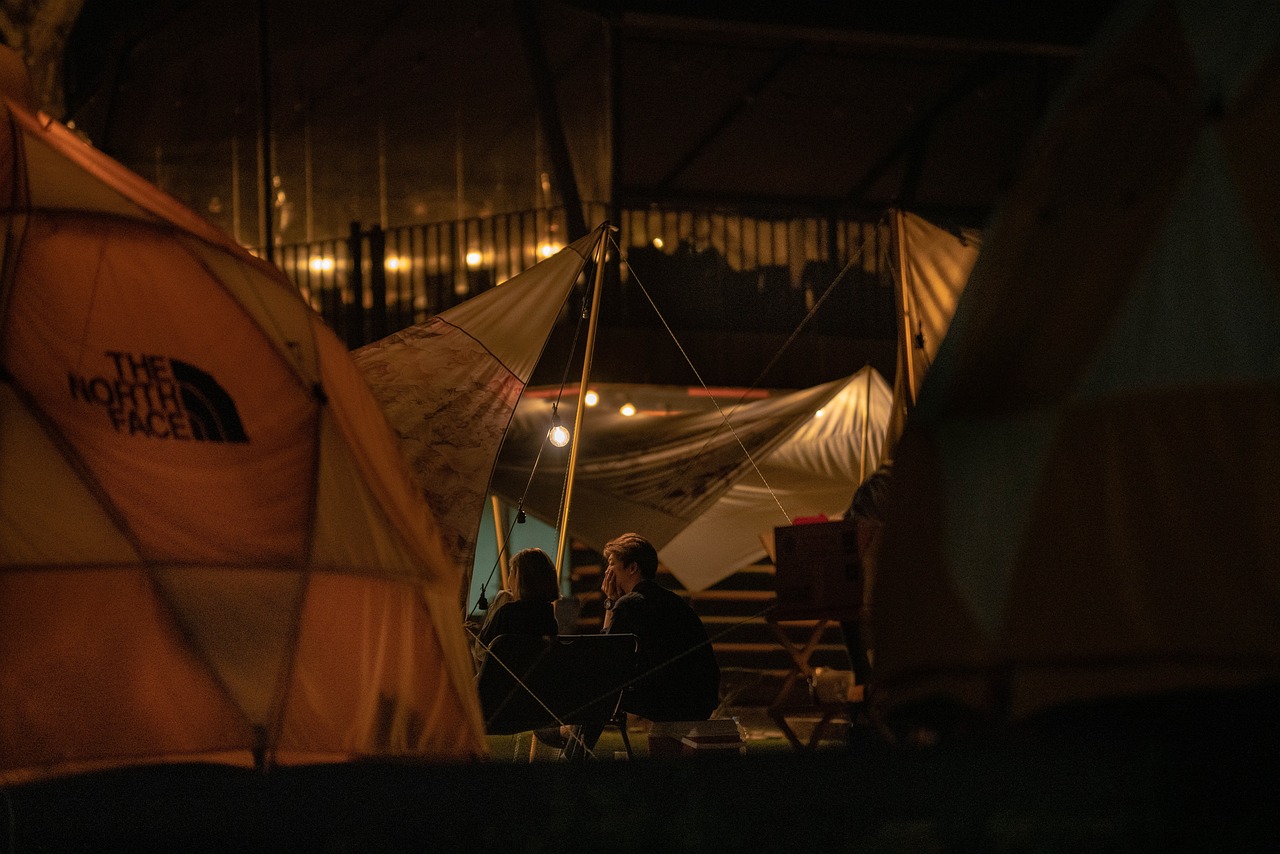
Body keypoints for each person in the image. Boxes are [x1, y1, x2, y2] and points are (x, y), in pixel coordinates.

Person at [563, 533, 721, 759]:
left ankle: (572, 756)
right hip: (700, 698)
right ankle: (572, 738)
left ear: (632, 568)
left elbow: (605, 653)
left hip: (671, 699)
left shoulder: (631, 603)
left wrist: (610, 603)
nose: (608, 573)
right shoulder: (674, 601)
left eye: (612, 566)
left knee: (600, 688)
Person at [474, 547, 560, 664]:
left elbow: (481, 651)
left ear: (519, 577)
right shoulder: (548, 616)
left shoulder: (507, 613)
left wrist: (499, 603)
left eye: (511, 572)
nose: (509, 580)